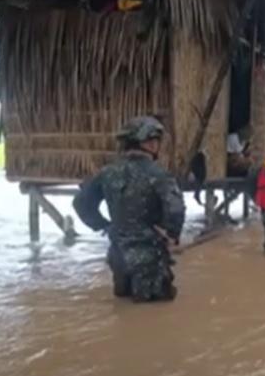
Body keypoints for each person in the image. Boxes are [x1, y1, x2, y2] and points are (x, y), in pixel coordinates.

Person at [72, 116, 186, 302]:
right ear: (149, 143)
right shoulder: (159, 174)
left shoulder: (107, 173)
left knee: (124, 312)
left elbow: (81, 204)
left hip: (118, 257)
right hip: (149, 261)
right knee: (154, 318)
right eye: (155, 141)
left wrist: (104, 225)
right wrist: (172, 235)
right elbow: (175, 209)